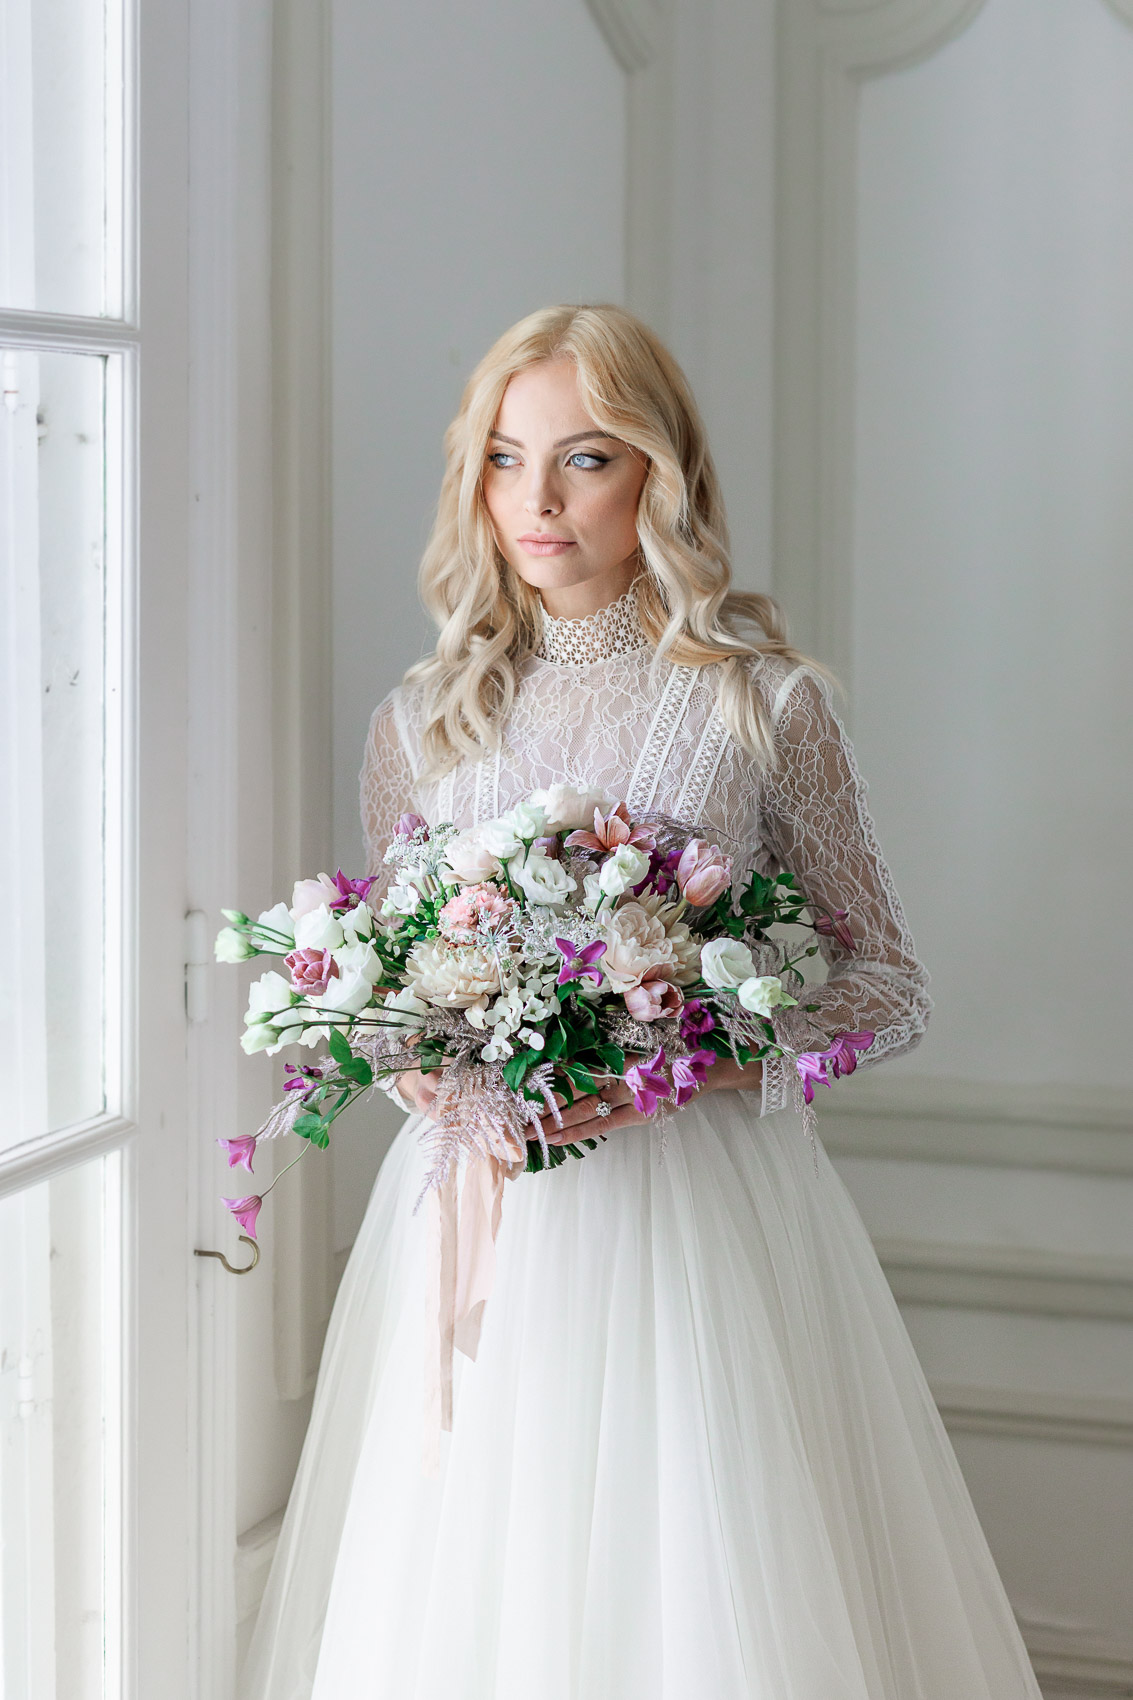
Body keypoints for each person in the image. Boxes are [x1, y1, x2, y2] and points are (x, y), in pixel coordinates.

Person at [244, 303, 1041, 1698]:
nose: (536, 501)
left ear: (659, 476)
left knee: (693, 1592)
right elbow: (396, 990)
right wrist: (416, 1065)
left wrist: (689, 1047)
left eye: (584, 458)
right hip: (476, 1218)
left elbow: (884, 983)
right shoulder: (420, 718)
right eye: (503, 458)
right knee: (478, 1587)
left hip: (692, 1226)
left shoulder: (758, 705)